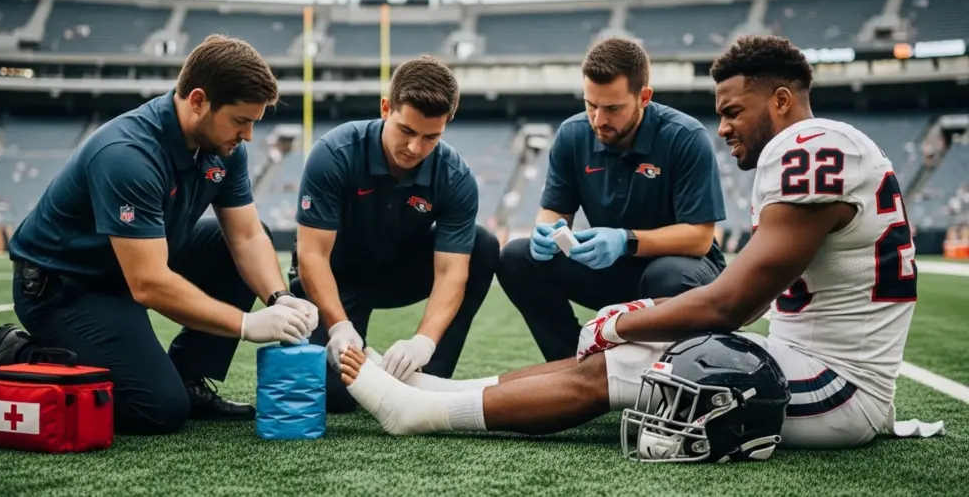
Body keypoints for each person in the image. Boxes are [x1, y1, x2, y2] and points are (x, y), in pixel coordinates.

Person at [333, 35, 917, 460]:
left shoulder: (809, 149)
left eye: (734, 111)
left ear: (783, 101)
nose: (723, 128)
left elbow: (728, 304)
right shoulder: (819, 148)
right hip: (806, 359)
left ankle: (422, 412)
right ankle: (447, 388)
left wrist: (620, 325)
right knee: (622, 349)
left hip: (838, 388)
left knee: (640, 359)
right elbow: (754, 294)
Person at [0, 35, 319, 435]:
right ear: (198, 100)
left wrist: (280, 298)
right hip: (67, 285)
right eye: (240, 121)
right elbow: (148, 283)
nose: (249, 136)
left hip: (138, 259)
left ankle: (189, 376)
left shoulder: (225, 149)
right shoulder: (127, 153)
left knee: (232, 245)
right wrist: (246, 324)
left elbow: (248, 236)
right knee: (158, 408)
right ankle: (17, 355)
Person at [289, 55, 500, 414]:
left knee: (482, 245)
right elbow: (312, 256)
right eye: (407, 130)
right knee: (335, 397)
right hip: (335, 277)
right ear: (386, 108)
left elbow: (451, 272)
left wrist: (424, 341)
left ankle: (428, 374)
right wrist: (339, 325)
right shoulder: (334, 154)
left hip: (397, 271)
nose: (416, 148)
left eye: (431, 137)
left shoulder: (454, 176)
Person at [497, 37, 728, 362]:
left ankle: (664, 370)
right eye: (591, 104)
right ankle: (571, 364)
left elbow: (701, 239)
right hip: (609, 266)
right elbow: (554, 211)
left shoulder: (685, 138)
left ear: (644, 97)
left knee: (668, 274)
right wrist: (547, 232)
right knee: (516, 258)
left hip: (681, 273)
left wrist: (625, 240)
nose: (598, 119)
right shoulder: (572, 134)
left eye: (613, 108)